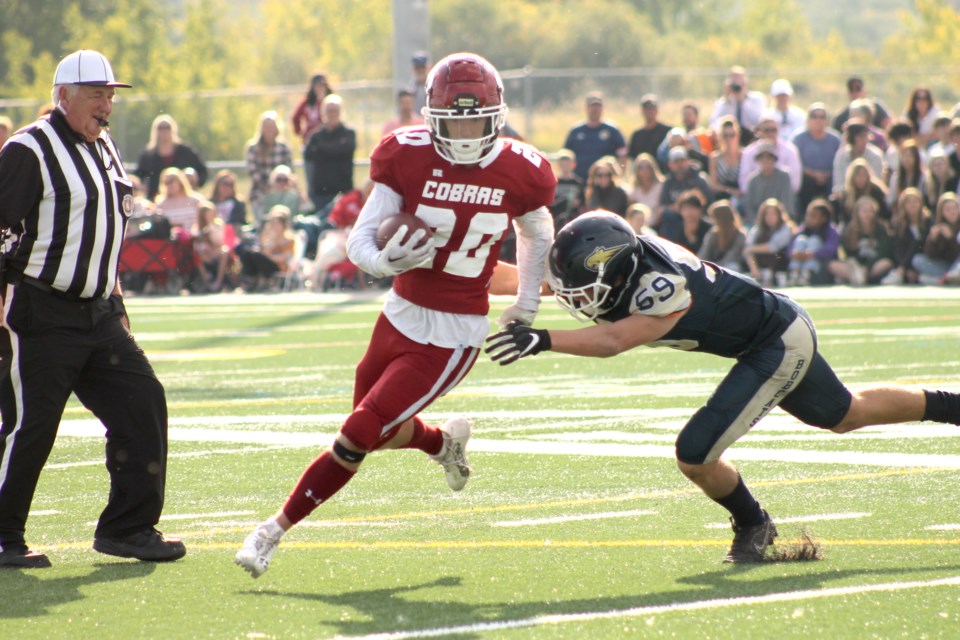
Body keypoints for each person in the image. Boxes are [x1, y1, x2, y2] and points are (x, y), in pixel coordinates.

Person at [235, 52, 556, 578]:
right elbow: (360, 236)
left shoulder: (521, 168)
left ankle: (271, 531)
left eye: (476, 119)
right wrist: (385, 262)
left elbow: (536, 231)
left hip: (454, 332)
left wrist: (524, 304)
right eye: (454, 120)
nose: (466, 132)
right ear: (432, 117)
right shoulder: (406, 153)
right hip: (399, 311)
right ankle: (441, 442)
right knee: (375, 427)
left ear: (495, 115)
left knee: (358, 430)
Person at [484, 210, 960, 563]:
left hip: (776, 341)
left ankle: (754, 523)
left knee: (695, 452)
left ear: (620, 271)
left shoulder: (660, 287)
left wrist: (543, 339)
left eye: (582, 288)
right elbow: (536, 283)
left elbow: (613, 339)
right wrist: (449, 274)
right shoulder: (612, 260)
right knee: (844, 414)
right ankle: (953, 406)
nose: (572, 298)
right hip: (771, 329)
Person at [0, 49, 185, 568]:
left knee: (142, 401)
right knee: (30, 424)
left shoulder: (106, 147)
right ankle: (3, 534)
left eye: (110, 95)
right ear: (63, 97)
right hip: (41, 309)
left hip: (99, 313)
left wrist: (117, 301)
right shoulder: (28, 149)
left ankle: (128, 527)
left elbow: (104, 231)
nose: (107, 106)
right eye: (96, 95)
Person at [303, 94, 356, 212]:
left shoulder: (348, 133)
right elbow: (308, 157)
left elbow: (346, 150)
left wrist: (322, 150)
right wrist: (336, 148)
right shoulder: (315, 136)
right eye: (329, 110)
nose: (332, 114)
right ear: (323, 113)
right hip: (320, 193)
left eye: (336, 110)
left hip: (343, 190)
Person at [135, 114, 208, 200]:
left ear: (173, 129)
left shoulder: (185, 152)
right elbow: (139, 176)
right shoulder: (148, 155)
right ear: (155, 131)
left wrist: (194, 185)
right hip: (156, 200)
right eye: (161, 128)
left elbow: (202, 171)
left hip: (182, 199)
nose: (164, 131)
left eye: (167, 128)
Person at [790, 102, 842, 214]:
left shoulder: (835, 139)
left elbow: (840, 162)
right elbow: (794, 163)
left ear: (827, 120)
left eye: (822, 117)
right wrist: (813, 174)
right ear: (808, 119)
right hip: (807, 178)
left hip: (830, 177)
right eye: (814, 116)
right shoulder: (798, 139)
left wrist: (827, 175)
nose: (818, 120)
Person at [563, 93, 628, 182]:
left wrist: (620, 176)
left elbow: (623, 156)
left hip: (605, 183)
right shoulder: (576, 131)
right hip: (580, 180)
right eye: (592, 106)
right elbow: (566, 156)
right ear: (586, 108)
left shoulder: (612, 131)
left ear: (602, 108)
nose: (595, 109)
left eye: (598, 106)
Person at [291, 72, 334, 204]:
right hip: (311, 145)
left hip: (327, 144)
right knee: (311, 176)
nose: (320, 88)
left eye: (322, 85)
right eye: (317, 85)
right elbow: (295, 118)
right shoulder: (307, 103)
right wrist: (301, 133)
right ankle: (313, 202)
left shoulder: (329, 101)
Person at [235, 205, 297, 291]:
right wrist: (267, 232)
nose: (274, 226)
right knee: (247, 253)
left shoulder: (289, 240)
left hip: (279, 267)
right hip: (267, 263)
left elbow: (280, 258)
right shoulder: (270, 238)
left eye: (276, 223)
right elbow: (262, 247)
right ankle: (249, 281)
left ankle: (252, 282)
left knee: (256, 255)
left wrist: (267, 253)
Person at [246, 110, 293, 219]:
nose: (269, 130)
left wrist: (279, 186)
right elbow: (253, 173)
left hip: (282, 192)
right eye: (266, 126)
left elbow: (289, 170)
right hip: (260, 193)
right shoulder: (254, 148)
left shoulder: (284, 148)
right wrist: (267, 187)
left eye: (272, 126)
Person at [787, 198, 841, 286]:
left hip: (821, 266)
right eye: (808, 215)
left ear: (823, 218)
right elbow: (791, 247)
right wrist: (794, 253)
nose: (808, 219)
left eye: (813, 216)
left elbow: (830, 250)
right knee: (801, 240)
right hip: (801, 261)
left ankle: (807, 274)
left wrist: (812, 254)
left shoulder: (832, 231)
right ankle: (794, 274)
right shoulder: (803, 229)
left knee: (814, 240)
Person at [743, 198, 796, 287]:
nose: (769, 217)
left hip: (779, 262)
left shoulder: (786, 228)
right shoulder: (758, 229)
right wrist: (754, 269)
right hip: (759, 264)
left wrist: (751, 249)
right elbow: (747, 248)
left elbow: (772, 247)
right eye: (766, 214)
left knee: (778, 254)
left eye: (773, 214)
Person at [710, 65, 766, 147]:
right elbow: (714, 123)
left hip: (752, 138)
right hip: (730, 140)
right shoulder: (723, 102)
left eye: (741, 84)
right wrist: (727, 100)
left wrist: (742, 101)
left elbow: (758, 120)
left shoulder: (757, 99)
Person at [912, 191, 960, 285]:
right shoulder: (938, 227)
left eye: (954, 208)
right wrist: (932, 240)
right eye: (948, 209)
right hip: (945, 267)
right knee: (917, 260)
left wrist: (951, 239)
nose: (952, 212)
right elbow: (931, 255)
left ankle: (942, 279)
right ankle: (945, 279)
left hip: (957, 265)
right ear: (942, 212)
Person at [743, 142, 796, 224]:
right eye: (762, 157)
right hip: (759, 223)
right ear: (758, 159)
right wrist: (759, 223)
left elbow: (787, 204)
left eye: (769, 157)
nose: (765, 160)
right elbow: (749, 208)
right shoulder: (752, 180)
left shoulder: (784, 177)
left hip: (781, 222)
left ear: (774, 159)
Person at [889, 187, 932, 285]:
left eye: (915, 202)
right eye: (908, 202)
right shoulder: (899, 225)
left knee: (918, 259)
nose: (912, 205)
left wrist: (905, 267)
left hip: (924, 261)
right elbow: (898, 249)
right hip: (907, 265)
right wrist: (907, 269)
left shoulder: (928, 222)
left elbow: (921, 244)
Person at [832, 122, 886, 198]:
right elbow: (838, 182)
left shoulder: (875, 156)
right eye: (861, 136)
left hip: (870, 195)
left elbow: (877, 181)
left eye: (866, 136)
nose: (864, 139)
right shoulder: (842, 155)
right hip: (847, 195)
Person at [698, 200, 746, 273]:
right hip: (713, 266)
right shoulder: (713, 233)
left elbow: (731, 256)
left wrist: (716, 268)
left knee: (732, 267)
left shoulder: (740, 235)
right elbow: (703, 254)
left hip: (729, 268)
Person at [658, 189, 711, 254]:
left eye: (693, 208)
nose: (689, 212)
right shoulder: (676, 229)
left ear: (700, 210)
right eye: (685, 209)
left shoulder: (709, 229)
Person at [706, 116, 743, 206]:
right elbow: (714, 185)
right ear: (720, 137)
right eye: (725, 135)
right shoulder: (714, 158)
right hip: (721, 196)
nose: (729, 139)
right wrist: (730, 191)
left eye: (732, 135)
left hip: (741, 196)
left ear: (737, 136)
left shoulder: (743, 156)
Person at [627, 94, 672, 161]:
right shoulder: (637, 135)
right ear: (642, 111)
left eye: (652, 108)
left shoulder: (668, 131)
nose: (650, 111)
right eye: (647, 109)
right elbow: (632, 159)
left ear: (657, 110)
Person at [549, 148, 585, 229]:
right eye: (563, 164)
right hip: (555, 219)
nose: (565, 167)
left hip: (572, 220)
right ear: (558, 165)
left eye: (568, 164)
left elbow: (583, 202)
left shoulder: (578, 183)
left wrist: (577, 203)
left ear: (573, 165)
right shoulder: (554, 182)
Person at [628, 153, 664, 224]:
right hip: (640, 226)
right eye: (640, 167)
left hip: (657, 224)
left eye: (647, 167)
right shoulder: (634, 190)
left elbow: (661, 208)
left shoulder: (660, 187)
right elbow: (631, 211)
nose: (644, 170)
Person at [209, 169, 248, 235]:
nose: (227, 187)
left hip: (232, 236)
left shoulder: (238, 204)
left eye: (230, 184)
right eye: (225, 184)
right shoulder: (209, 204)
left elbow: (242, 223)